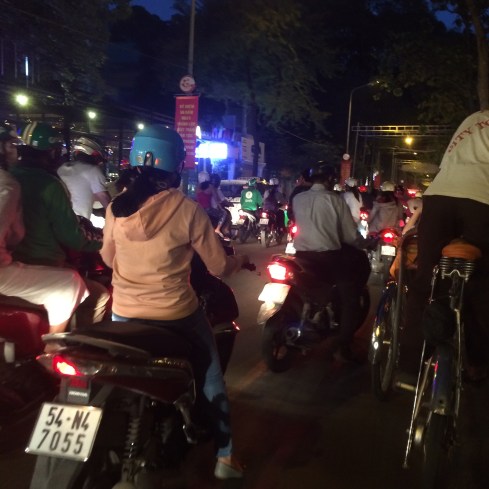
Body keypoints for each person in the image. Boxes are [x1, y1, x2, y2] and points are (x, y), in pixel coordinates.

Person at [100, 124, 249, 479]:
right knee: (210, 374)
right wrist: (239, 261)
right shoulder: (187, 210)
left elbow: (107, 258)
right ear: (176, 167)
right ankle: (226, 458)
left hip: (124, 314)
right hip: (176, 314)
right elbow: (218, 267)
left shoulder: (117, 208)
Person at [407, 110, 489, 378]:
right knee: (481, 281)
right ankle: (476, 363)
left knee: (426, 277)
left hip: (439, 195)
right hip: (482, 198)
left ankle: (412, 359)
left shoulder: (472, 119)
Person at [11, 122, 110, 329]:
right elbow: (73, 237)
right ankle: (77, 345)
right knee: (99, 295)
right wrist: (105, 239)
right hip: (42, 263)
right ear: (52, 152)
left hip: (12, 265)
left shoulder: (8, 176)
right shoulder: (49, 184)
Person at [0, 122, 88, 335]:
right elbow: (73, 238)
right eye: (10, 145)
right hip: (32, 264)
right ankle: (54, 346)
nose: (14, 150)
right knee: (74, 285)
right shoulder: (11, 184)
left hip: (15, 264)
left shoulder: (14, 177)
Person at [292, 163, 371, 362]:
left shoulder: (298, 198)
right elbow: (350, 236)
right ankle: (343, 346)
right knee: (350, 298)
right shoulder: (335, 200)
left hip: (301, 255)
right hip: (328, 257)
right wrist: (365, 243)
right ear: (330, 179)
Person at [58, 136, 111, 221]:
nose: (100, 163)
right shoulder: (93, 170)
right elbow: (107, 203)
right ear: (94, 156)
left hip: (56, 221)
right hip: (76, 224)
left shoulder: (62, 168)